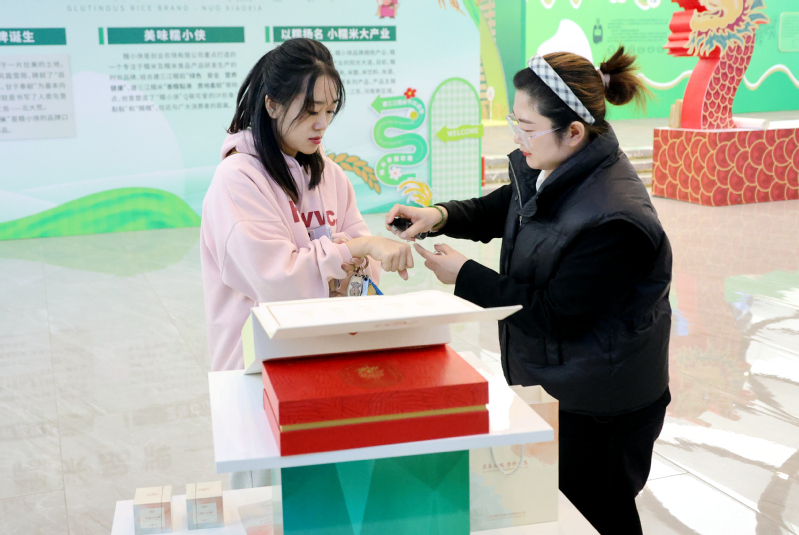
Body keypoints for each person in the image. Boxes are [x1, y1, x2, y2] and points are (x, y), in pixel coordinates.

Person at [386, 46, 672, 535]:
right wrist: (439, 216)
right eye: (513, 122)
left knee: (600, 515)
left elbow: (554, 315)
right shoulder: (559, 167)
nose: (516, 138)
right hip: (565, 386)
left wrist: (465, 276)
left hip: (603, 410)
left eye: (526, 127)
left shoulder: (616, 220)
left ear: (574, 131)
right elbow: (509, 205)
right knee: (560, 509)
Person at [201, 38, 413, 373]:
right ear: (272, 105)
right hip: (258, 367)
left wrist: (347, 257)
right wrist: (352, 249)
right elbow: (278, 284)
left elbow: (367, 273)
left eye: (329, 110)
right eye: (311, 110)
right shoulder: (238, 179)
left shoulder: (331, 175)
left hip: (328, 354)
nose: (322, 123)